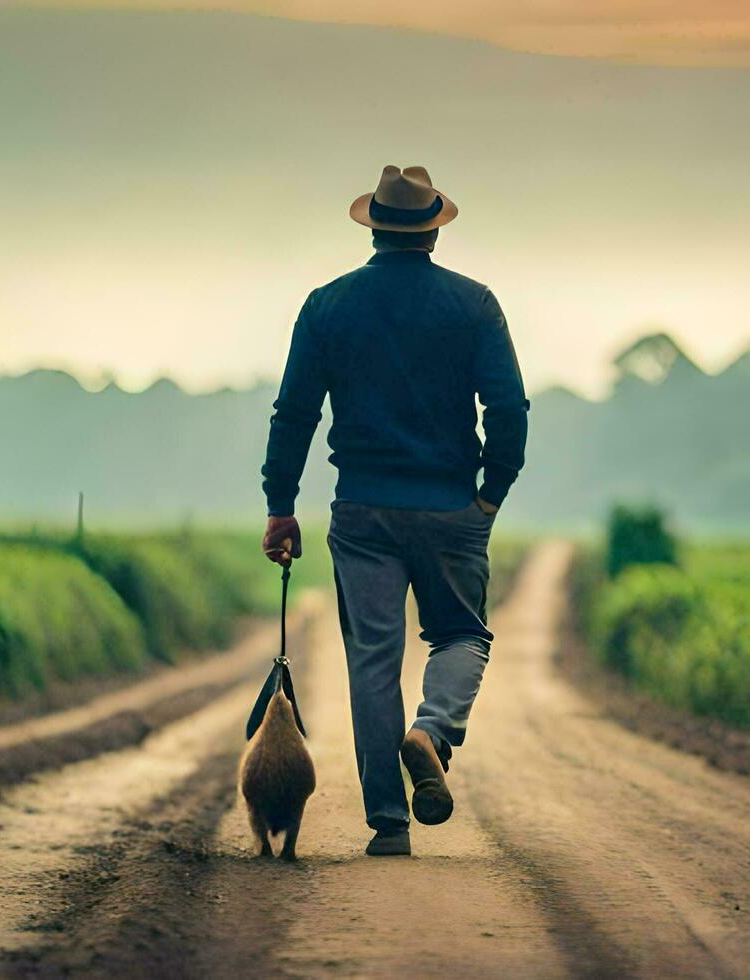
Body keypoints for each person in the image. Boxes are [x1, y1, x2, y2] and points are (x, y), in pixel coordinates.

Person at [260, 165, 529, 857]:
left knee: (373, 662)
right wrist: (490, 495)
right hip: (449, 507)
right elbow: (507, 409)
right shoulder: (475, 306)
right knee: (462, 636)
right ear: (433, 231)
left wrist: (280, 506)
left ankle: (388, 823)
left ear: (374, 227)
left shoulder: (327, 306)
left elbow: (294, 414)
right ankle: (432, 732)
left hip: (362, 511)